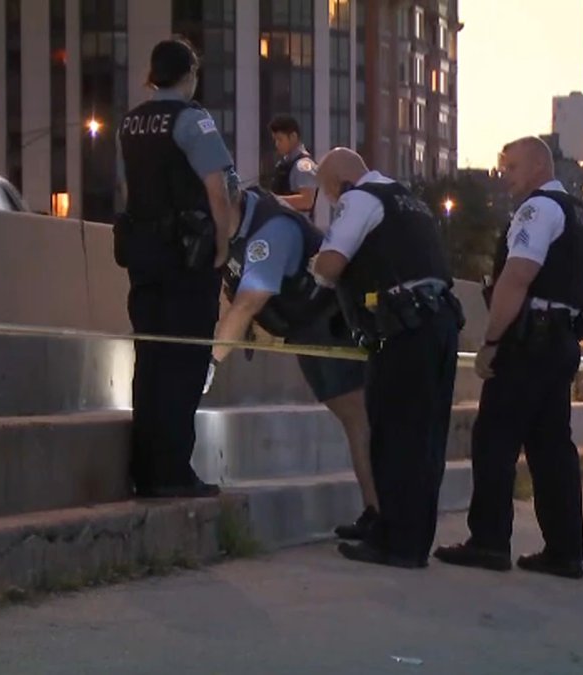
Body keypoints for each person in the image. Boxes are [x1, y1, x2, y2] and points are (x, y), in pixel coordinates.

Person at [434, 136, 583, 580]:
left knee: (495, 439)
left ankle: (488, 541)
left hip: (529, 341)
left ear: (538, 166)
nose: (505, 178)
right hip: (563, 340)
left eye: (510, 168)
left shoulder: (536, 210)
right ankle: (565, 550)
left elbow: (517, 277)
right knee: (552, 448)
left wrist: (491, 342)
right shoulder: (580, 216)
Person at [311, 148, 463, 569]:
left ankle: (396, 543)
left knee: (395, 435)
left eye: (330, 197)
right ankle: (410, 537)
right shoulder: (407, 199)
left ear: (341, 184)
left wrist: (314, 263)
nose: (335, 206)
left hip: (403, 329)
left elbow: (331, 264)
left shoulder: (359, 199)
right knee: (424, 438)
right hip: (438, 321)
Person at [205, 186, 380, 538]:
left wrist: (209, 364)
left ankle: (382, 515)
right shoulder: (242, 223)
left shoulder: (268, 233)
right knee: (358, 421)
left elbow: (248, 303)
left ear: (227, 204)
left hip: (330, 322)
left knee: (360, 420)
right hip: (308, 328)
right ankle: (380, 512)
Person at [113, 38, 239, 499]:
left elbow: (129, 190)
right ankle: (172, 471)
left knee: (150, 360)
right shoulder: (193, 119)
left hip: (144, 256)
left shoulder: (130, 123)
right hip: (187, 257)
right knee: (185, 362)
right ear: (188, 75)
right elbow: (217, 189)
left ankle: (146, 468)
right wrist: (222, 247)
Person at [268, 115, 318, 216]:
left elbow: (307, 201)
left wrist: (272, 201)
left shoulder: (303, 165)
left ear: (293, 137)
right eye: (275, 140)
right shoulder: (285, 163)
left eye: (280, 139)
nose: (277, 144)